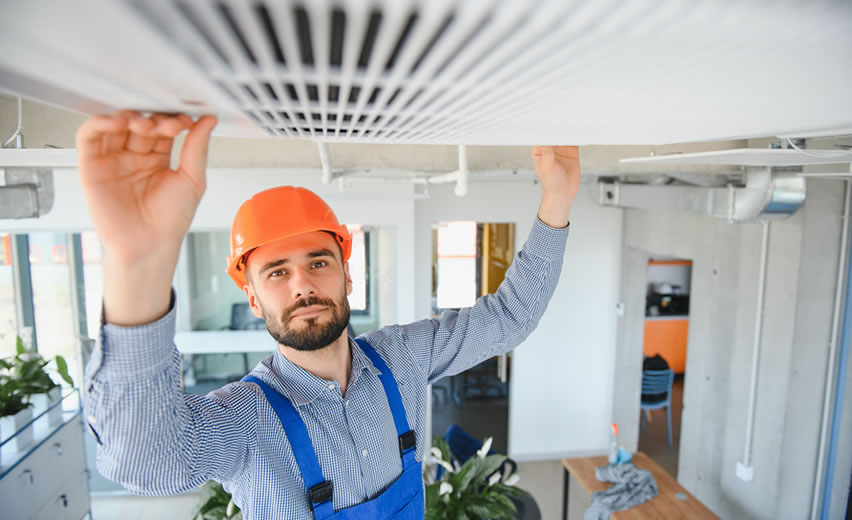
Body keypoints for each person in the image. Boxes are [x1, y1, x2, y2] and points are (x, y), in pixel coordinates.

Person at [77, 111, 581, 519]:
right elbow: (148, 464)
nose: (303, 285)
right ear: (254, 300)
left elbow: (510, 316)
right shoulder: (246, 418)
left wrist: (557, 201)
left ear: (347, 277)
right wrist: (137, 266)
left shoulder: (402, 359)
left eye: (319, 262)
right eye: (276, 272)